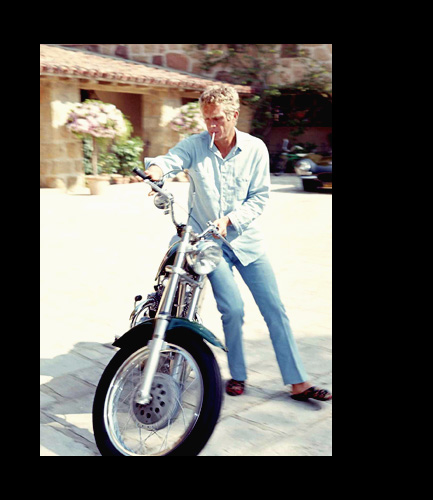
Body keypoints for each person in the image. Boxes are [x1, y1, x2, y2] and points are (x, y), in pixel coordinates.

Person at [139, 84, 331, 402]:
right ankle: (238, 375)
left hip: (247, 242)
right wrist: (156, 171)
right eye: (207, 119)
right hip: (209, 245)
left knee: (275, 309)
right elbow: (171, 159)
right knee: (233, 308)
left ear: (234, 115)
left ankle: (298, 382)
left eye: (217, 118)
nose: (212, 126)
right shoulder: (195, 145)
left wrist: (230, 220)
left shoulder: (255, 149)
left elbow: (259, 198)